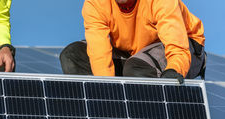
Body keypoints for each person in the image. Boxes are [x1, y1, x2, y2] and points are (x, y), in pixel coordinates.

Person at [60, 0, 206, 83]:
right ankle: (108, 117)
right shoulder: (96, 3)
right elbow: (100, 56)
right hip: (132, 52)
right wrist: (105, 92)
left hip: (185, 48)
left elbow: (177, 47)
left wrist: (174, 69)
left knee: (136, 69)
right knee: (73, 56)